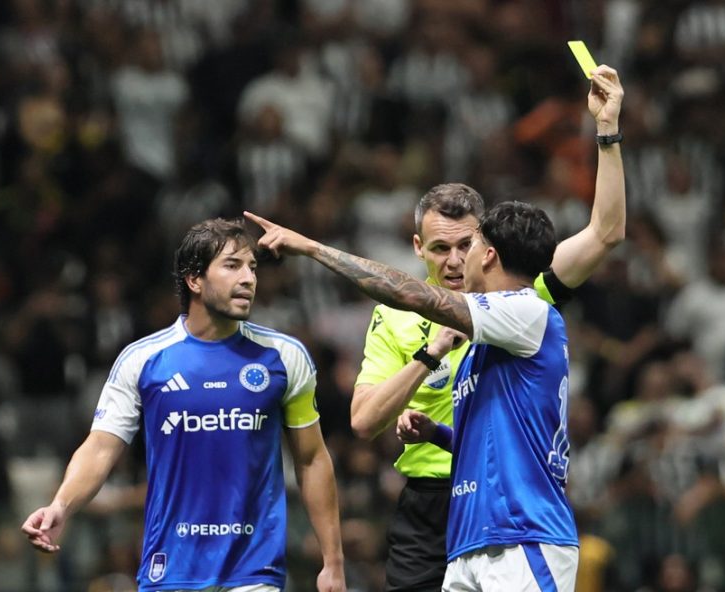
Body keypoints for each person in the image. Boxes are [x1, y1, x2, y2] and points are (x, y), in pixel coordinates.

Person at [246, 63, 624, 592]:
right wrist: (433, 412)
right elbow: (371, 419)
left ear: (488, 247)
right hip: (451, 510)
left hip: (516, 523)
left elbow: (605, 232)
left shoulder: (522, 302)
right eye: (440, 248)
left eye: (465, 246)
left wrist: (312, 248)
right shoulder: (457, 340)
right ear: (419, 247)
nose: (453, 261)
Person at [21, 219, 346, 592]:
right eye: (232, 265)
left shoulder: (284, 357)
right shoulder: (143, 360)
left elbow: (311, 459)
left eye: (252, 267)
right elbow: (100, 447)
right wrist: (61, 506)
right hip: (169, 568)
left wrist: (332, 562)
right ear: (194, 280)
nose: (249, 279)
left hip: (253, 571)